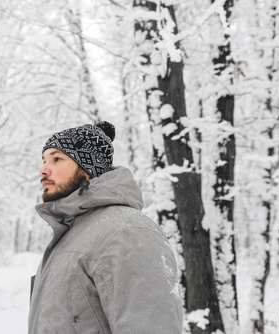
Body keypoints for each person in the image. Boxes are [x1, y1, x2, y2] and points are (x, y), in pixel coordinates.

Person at [28, 121, 183, 333]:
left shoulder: (127, 231)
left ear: (87, 169)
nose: (43, 169)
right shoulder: (71, 235)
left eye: (56, 159)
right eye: (44, 160)